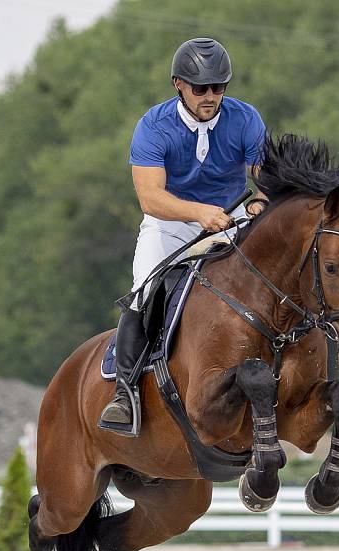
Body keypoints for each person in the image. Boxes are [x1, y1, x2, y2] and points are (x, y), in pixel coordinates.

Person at [98, 37, 268, 437]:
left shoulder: (245, 119)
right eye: (201, 88)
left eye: (219, 87)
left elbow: (266, 179)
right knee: (143, 290)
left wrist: (261, 201)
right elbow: (150, 197)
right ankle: (125, 395)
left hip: (232, 221)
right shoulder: (154, 126)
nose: (211, 97)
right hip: (171, 225)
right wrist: (199, 213)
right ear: (178, 84)